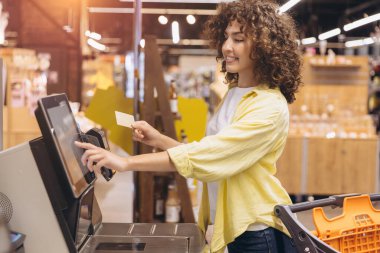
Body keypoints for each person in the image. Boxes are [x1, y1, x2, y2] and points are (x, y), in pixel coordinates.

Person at [75, 0, 301, 252]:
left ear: (263, 46)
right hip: (233, 226)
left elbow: (210, 155)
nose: (227, 47)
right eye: (225, 37)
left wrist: (126, 163)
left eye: (238, 39)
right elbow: (210, 154)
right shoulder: (234, 93)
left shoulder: (268, 107)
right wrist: (160, 139)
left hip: (257, 232)